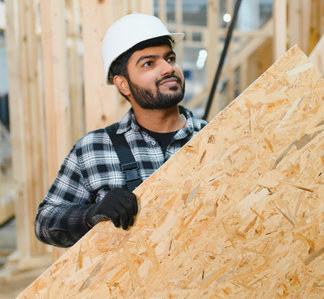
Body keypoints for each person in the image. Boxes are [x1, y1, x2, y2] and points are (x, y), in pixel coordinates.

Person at [35, 14, 207, 247]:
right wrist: (91, 214)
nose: (168, 68)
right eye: (149, 63)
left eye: (170, 58)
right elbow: (44, 223)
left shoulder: (212, 136)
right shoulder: (93, 150)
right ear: (122, 84)